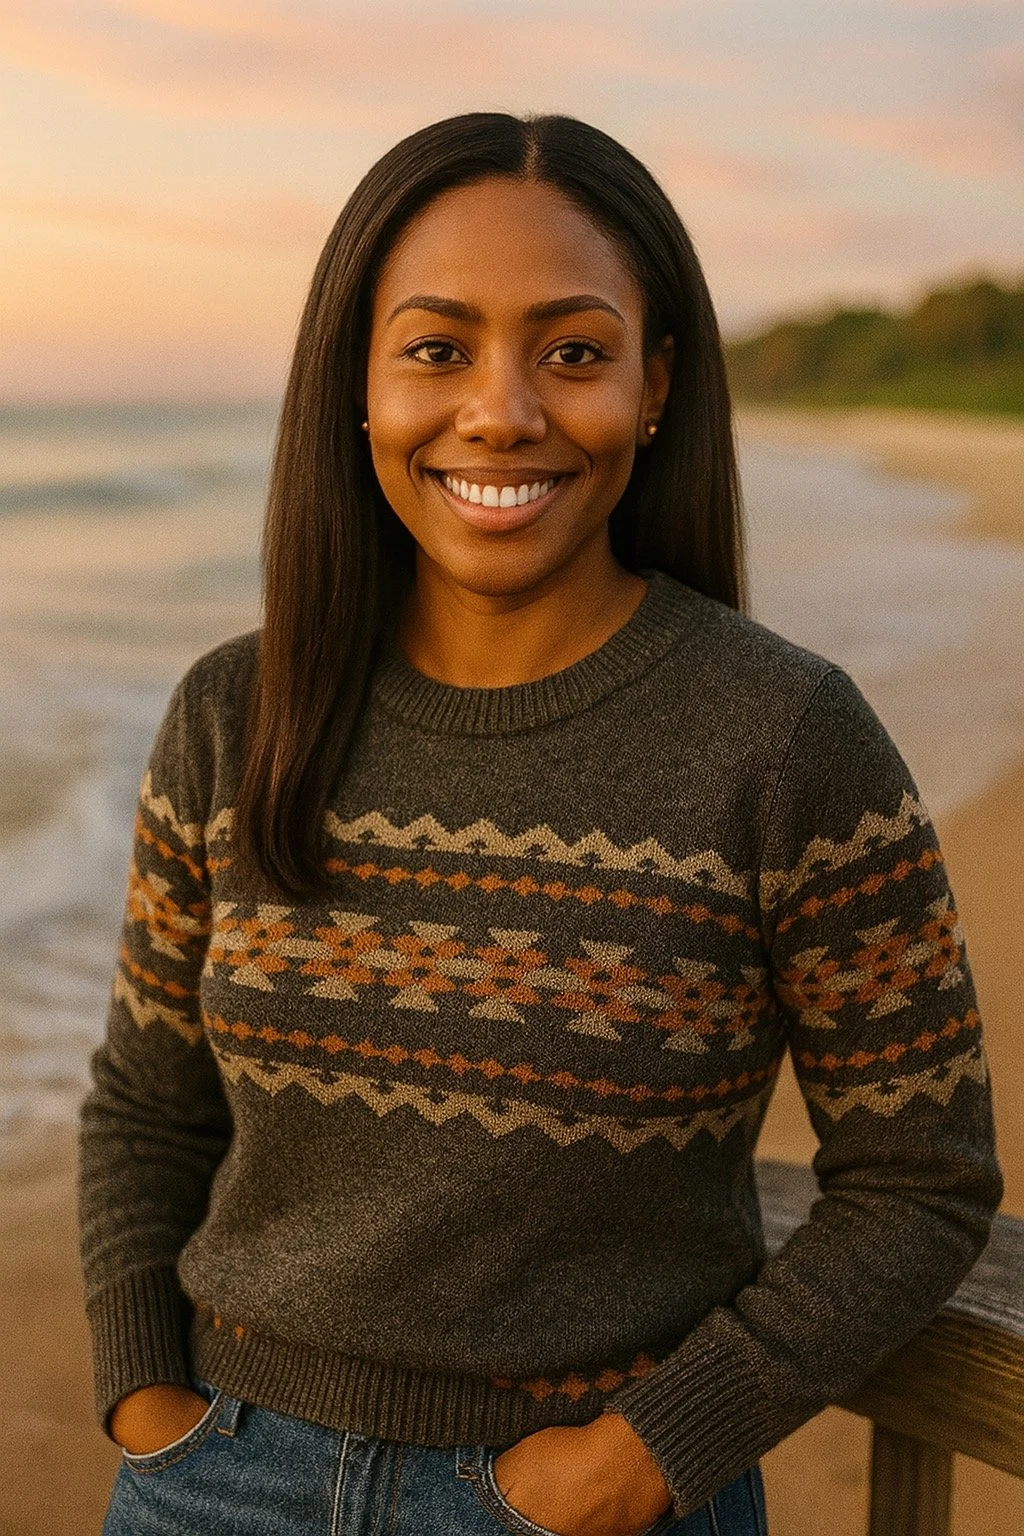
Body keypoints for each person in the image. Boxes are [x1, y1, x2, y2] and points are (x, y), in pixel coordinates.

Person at [80, 111, 1003, 1536]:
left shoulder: (788, 742)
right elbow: (148, 1105)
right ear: (358, 387)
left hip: (582, 1502)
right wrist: (149, 1401)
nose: (501, 411)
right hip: (218, 1479)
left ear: (653, 389)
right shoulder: (234, 711)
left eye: (572, 351)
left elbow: (922, 1186)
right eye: (437, 348)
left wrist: (638, 1460)